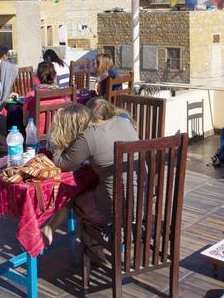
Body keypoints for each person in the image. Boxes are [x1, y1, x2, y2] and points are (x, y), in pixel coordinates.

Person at [42, 100, 138, 245]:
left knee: (75, 195)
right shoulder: (123, 122)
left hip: (114, 213)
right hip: (141, 204)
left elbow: (60, 164)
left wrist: (57, 139)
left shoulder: (88, 137)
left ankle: (92, 251)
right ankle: (50, 229)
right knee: (91, 186)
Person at [21, 61, 63, 132]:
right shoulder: (62, 93)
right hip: (58, 135)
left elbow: (25, 123)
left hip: (37, 136)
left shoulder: (31, 95)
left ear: (38, 76)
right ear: (54, 75)